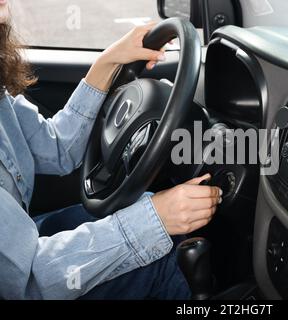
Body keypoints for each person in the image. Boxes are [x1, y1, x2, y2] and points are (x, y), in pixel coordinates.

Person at [0, 0, 222, 300]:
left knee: (147, 208)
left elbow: (55, 148)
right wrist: (155, 219)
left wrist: (108, 62)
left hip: (23, 246)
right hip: (27, 277)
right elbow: (27, 283)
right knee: (162, 254)